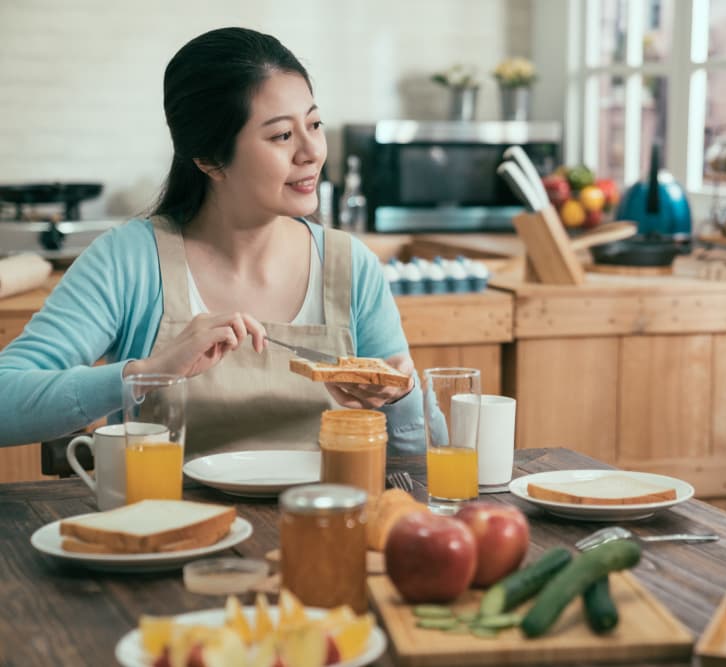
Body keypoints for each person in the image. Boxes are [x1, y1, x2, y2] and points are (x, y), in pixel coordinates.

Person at [0, 27, 423, 455]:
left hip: (328, 520)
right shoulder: (129, 260)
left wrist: (401, 399)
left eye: (314, 123)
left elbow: (427, 453)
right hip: (164, 520)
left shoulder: (351, 266)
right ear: (209, 160)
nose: (312, 150)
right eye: (281, 135)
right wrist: (147, 374)